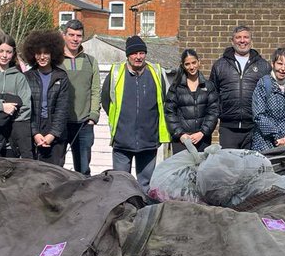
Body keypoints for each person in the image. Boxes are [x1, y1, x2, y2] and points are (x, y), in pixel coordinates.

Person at [101, 35, 169, 192]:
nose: (138, 57)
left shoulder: (156, 72)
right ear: (127, 55)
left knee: (146, 185)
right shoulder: (116, 73)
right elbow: (106, 101)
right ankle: (122, 214)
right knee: (120, 184)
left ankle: (143, 214)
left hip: (148, 140)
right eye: (134, 53)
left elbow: (164, 100)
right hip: (122, 140)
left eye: (141, 53)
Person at [209, 25, 270, 149]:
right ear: (232, 41)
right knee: (229, 166)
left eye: (246, 37)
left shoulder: (264, 66)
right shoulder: (219, 65)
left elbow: (269, 96)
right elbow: (213, 95)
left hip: (255, 127)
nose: (242, 41)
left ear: (251, 41)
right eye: (238, 37)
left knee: (251, 166)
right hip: (228, 128)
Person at [21, 29, 70, 166]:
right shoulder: (27, 77)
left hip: (55, 133)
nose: (42, 57)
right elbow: (26, 109)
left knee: (55, 176)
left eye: (46, 53)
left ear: (53, 54)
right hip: (33, 130)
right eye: (38, 53)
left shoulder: (62, 77)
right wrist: (35, 134)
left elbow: (62, 109)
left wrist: (52, 135)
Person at [61, 19, 101, 174]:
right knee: (56, 169)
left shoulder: (90, 62)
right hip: (61, 123)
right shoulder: (56, 61)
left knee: (83, 170)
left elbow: (95, 90)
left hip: (84, 124)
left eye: (78, 35)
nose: (75, 39)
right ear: (64, 36)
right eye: (71, 35)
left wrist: (93, 116)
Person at [164, 49, 219, 153]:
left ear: (199, 62)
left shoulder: (209, 86)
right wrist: (180, 134)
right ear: (183, 65)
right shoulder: (176, 87)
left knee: (201, 169)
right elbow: (169, 112)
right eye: (187, 64)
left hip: (202, 139)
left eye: (194, 63)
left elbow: (213, 112)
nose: (191, 67)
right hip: (182, 141)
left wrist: (202, 132)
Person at [250, 48, 285, 152]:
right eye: (279, 63)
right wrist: (277, 136)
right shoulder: (263, 84)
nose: (283, 68)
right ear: (273, 64)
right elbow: (259, 115)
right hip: (265, 142)